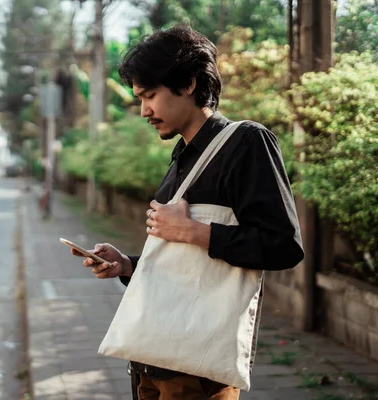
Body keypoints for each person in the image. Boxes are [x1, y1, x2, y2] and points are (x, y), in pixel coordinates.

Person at [72, 24, 304, 400]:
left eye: (151, 96)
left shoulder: (246, 143)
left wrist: (195, 232)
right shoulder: (181, 154)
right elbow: (184, 262)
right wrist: (127, 266)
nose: (144, 110)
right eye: (139, 98)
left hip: (198, 368)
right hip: (151, 356)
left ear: (190, 83)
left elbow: (283, 246)